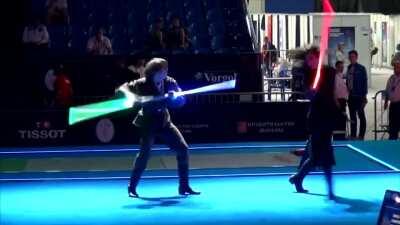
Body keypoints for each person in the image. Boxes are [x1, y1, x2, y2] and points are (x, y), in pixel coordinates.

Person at [117, 58, 200, 198]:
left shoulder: (170, 82)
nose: (166, 72)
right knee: (144, 155)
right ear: (154, 72)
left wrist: (177, 97)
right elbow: (121, 89)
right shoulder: (141, 83)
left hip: (164, 123)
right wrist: (132, 97)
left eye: (166, 70)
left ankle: (184, 186)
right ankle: (131, 188)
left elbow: (181, 101)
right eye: (163, 70)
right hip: (148, 124)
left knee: (183, 149)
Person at [289, 66, 343, 200]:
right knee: (323, 159)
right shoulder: (317, 87)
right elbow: (312, 99)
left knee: (320, 159)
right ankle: (300, 179)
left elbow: (333, 103)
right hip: (318, 125)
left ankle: (298, 178)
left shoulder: (327, 89)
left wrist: (338, 112)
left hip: (324, 125)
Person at [346, 50, 368, 140]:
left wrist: (364, 97)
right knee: (352, 116)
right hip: (351, 96)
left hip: (359, 96)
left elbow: (364, 83)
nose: (351, 58)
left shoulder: (361, 68)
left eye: (353, 57)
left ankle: (361, 135)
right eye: (350, 57)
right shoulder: (348, 67)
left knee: (361, 115)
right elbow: (348, 81)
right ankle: (353, 134)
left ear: (356, 57)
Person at [384, 58, 400, 140]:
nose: (395, 69)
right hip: (392, 104)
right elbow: (387, 90)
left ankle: (395, 138)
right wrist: (386, 102)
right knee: (392, 122)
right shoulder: (391, 78)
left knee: (397, 123)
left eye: (397, 67)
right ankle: (392, 138)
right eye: (394, 68)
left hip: (399, 104)